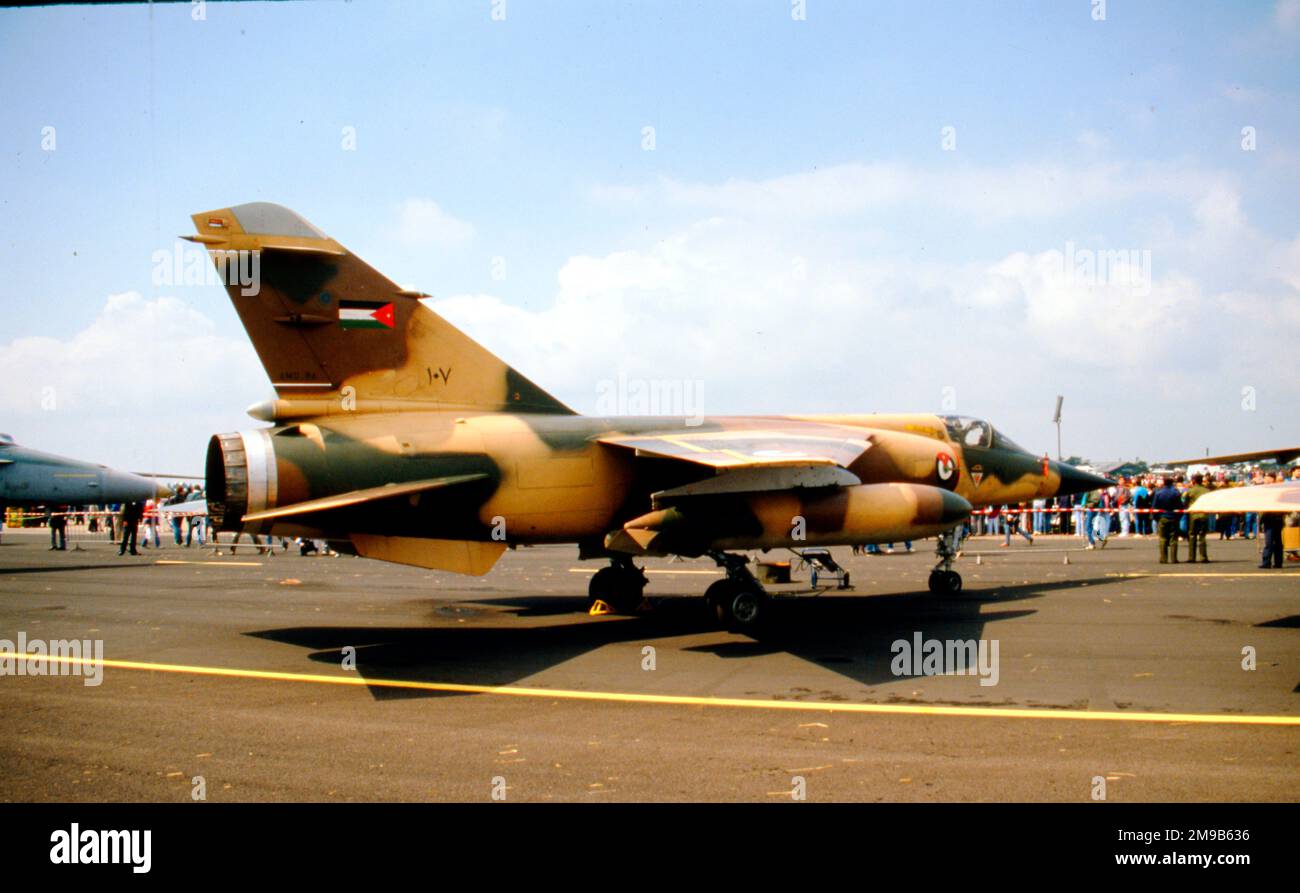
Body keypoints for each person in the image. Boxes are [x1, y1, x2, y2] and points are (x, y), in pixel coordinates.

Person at [1151, 477, 1183, 564]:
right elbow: (1180, 506)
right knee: (1173, 539)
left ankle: (1163, 558)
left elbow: (1154, 507)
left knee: (1163, 538)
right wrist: (1178, 517)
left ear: (1164, 483)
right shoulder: (1176, 493)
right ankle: (1174, 559)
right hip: (1173, 517)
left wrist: (1157, 518)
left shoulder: (1159, 493)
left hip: (1163, 517)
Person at [1183, 473, 1210, 563]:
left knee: (1192, 536)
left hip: (1193, 515)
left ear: (1193, 481)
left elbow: (1185, 503)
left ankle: (1192, 557)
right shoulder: (1207, 491)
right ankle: (1203, 557)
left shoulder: (1190, 491)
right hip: (1204, 515)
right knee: (1202, 536)